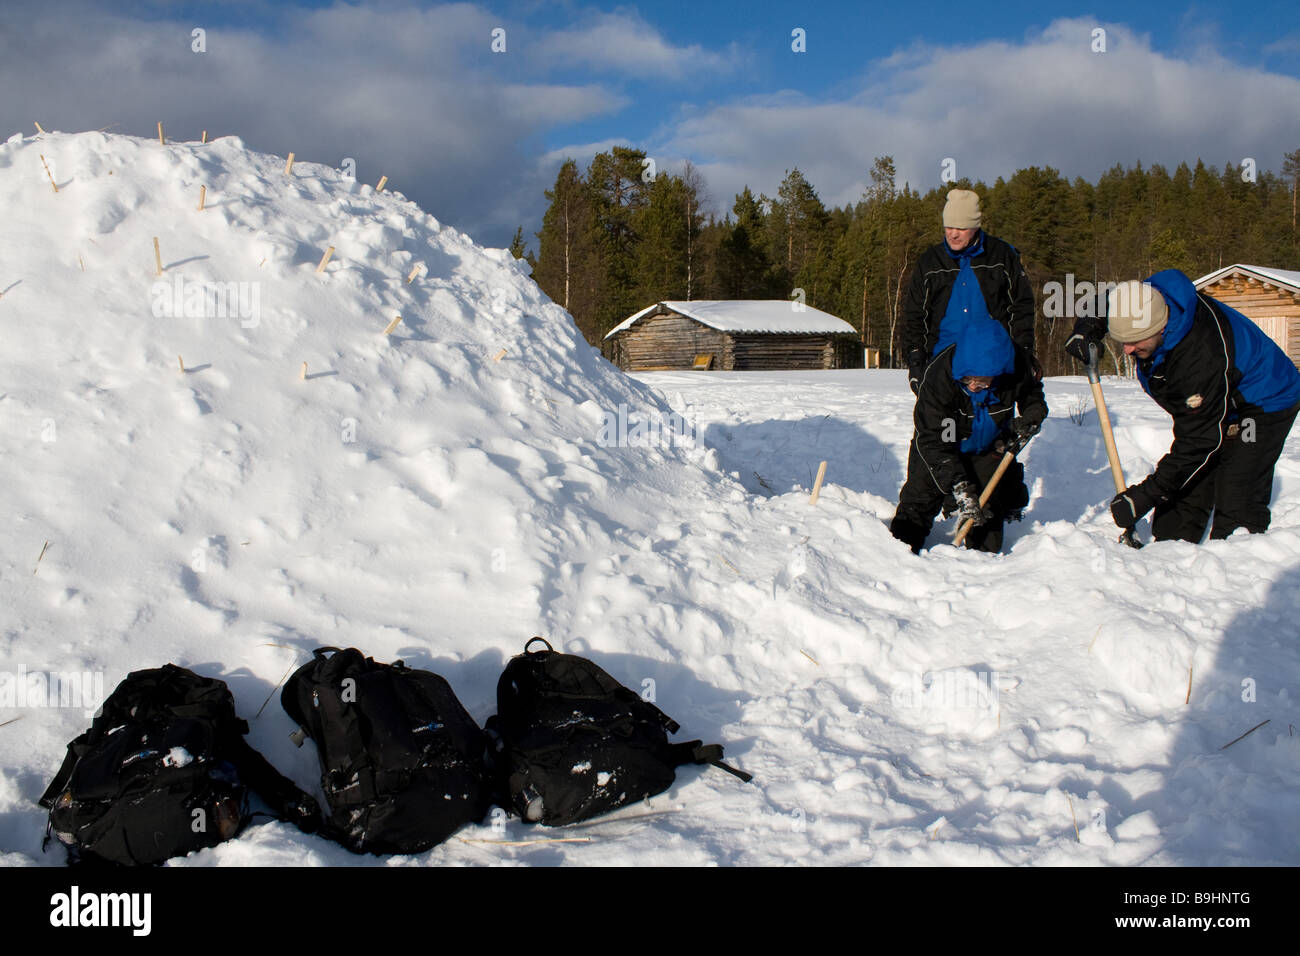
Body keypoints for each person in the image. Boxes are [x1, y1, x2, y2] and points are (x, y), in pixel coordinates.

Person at [1065, 271, 1300, 542]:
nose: (1127, 350)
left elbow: (1198, 442)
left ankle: (1236, 557)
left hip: (1260, 403)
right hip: (1213, 398)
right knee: (1187, 487)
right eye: (1123, 340)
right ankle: (1167, 554)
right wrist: (1086, 328)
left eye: (1135, 340)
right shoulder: (1147, 299)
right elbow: (1109, 300)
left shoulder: (1199, 357)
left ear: (1162, 328)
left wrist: (1144, 496)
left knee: (1238, 488)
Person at [890, 317, 1047, 554]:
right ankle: (898, 557)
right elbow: (933, 437)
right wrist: (959, 486)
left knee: (986, 510)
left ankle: (981, 568)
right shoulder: (940, 376)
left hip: (988, 445)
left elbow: (1032, 395)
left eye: (981, 382)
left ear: (999, 372)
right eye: (966, 379)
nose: (973, 386)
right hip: (942, 441)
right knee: (920, 498)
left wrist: (1032, 417)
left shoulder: (1018, 366)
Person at [901, 189, 1038, 394]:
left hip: (991, 366)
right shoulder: (929, 262)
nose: (953, 234)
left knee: (991, 424)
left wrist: (1023, 352)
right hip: (942, 366)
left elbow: (1021, 308)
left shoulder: (1001, 256)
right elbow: (915, 315)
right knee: (936, 425)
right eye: (949, 227)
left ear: (975, 227)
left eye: (961, 228)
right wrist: (915, 360)